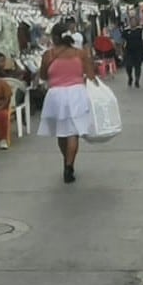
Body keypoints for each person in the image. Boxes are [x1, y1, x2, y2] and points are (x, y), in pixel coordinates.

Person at [38, 22, 95, 183]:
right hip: (77, 93)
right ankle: (69, 165)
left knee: (61, 132)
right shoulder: (80, 53)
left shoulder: (48, 55)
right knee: (73, 132)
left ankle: (66, 161)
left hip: (56, 95)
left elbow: (43, 76)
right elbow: (90, 75)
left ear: (55, 37)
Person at [122, 17, 143, 88]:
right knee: (128, 66)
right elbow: (123, 41)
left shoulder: (140, 30)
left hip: (138, 51)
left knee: (138, 66)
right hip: (129, 51)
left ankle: (137, 80)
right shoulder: (126, 31)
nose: (133, 23)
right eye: (132, 21)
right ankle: (130, 77)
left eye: (134, 21)